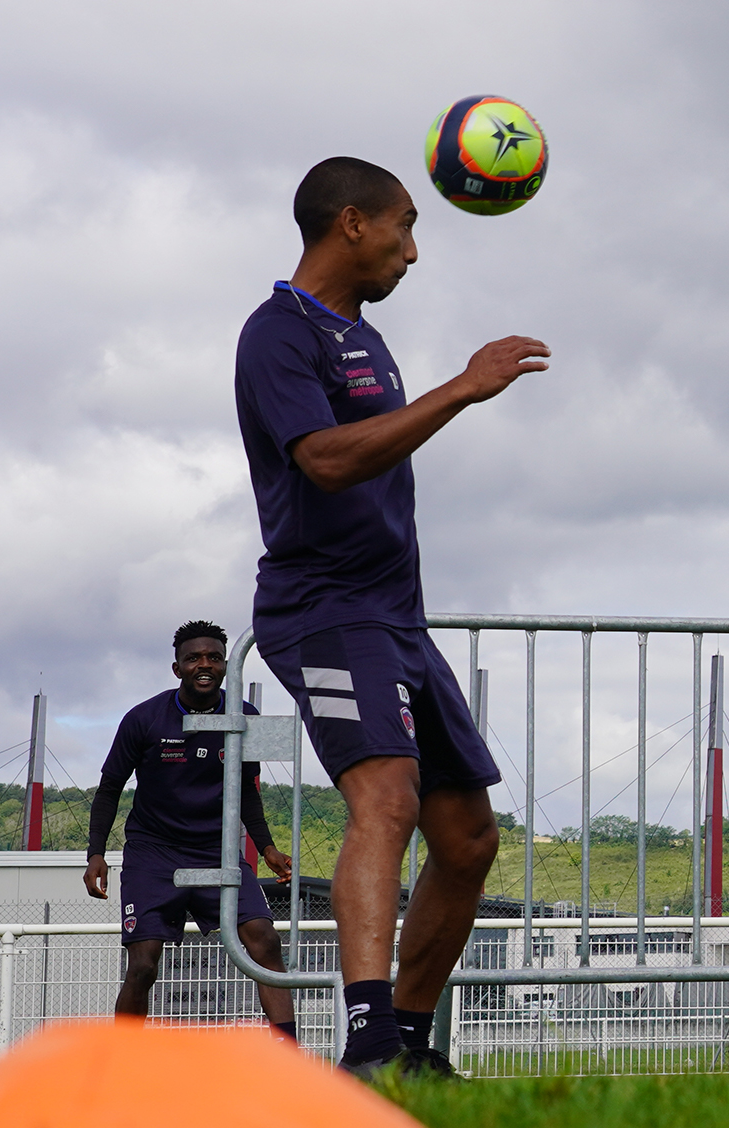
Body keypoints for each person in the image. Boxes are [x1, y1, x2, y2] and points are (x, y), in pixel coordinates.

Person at [233, 157, 549, 1076]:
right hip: (322, 610)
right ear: (351, 225)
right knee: (388, 799)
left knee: (468, 838)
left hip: (397, 620)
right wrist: (460, 388)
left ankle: (409, 1041)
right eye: (405, 227)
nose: (415, 251)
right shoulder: (277, 335)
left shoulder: (366, 337)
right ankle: (365, 1039)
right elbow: (325, 462)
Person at [83, 621, 295, 1037]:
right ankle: (120, 1066)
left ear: (226, 666)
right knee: (143, 964)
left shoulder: (243, 717)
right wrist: (95, 854)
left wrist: (266, 846)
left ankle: (292, 1063)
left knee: (265, 942)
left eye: (214, 658)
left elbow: (247, 789)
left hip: (216, 852)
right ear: (177, 668)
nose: (205, 665)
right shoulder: (144, 719)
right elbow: (109, 789)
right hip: (153, 854)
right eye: (193, 658)